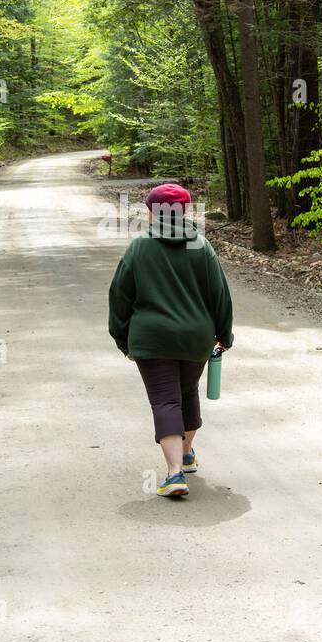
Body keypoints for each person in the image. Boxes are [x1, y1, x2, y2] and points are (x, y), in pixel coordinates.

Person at [108, 183, 233, 498]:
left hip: (152, 340)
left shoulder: (140, 247)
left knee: (166, 400)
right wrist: (224, 334)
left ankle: (175, 473)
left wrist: (124, 340)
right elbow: (219, 295)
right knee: (187, 393)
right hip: (195, 339)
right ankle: (186, 454)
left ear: (151, 212)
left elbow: (119, 297)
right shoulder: (200, 246)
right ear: (186, 211)